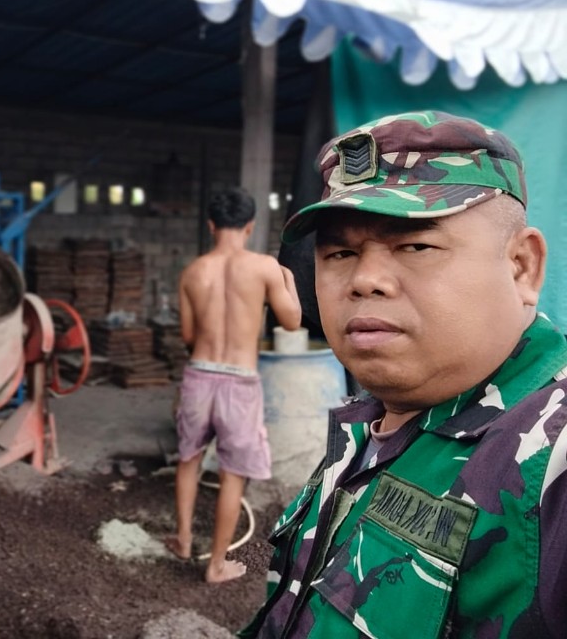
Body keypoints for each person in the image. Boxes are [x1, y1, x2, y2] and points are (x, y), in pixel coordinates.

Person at [240, 111, 567, 638]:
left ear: (521, 266)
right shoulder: (372, 421)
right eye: (341, 252)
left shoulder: (552, 462)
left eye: (415, 246)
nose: (364, 279)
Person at [166, 187, 302, 583]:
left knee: (188, 460)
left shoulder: (193, 271)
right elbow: (292, 323)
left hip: (199, 375)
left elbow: (189, 336)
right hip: (239, 382)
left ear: (211, 226)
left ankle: (184, 539)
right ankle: (216, 565)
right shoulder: (263, 267)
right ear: (250, 226)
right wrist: (288, 279)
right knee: (232, 475)